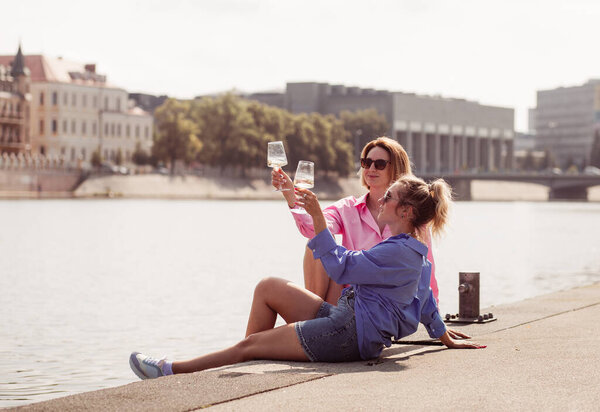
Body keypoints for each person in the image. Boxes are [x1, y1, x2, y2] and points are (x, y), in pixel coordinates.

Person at [129, 175, 485, 380]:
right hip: (346, 320)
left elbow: (342, 266)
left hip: (347, 334)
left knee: (250, 344)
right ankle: (246, 364)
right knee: (268, 287)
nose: (381, 199)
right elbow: (427, 304)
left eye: (389, 197)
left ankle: (171, 370)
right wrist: (444, 336)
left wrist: (318, 219)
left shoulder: (398, 251)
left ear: (405, 211)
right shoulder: (413, 251)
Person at [272, 137, 441, 306]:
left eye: (379, 164)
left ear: (396, 168)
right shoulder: (347, 208)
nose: (371, 168)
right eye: (366, 163)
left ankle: (313, 322)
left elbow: (427, 272)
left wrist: (436, 320)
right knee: (316, 241)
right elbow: (312, 229)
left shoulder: (411, 217)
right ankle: (313, 317)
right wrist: (291, 197)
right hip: (348, 301)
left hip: (388, 309)